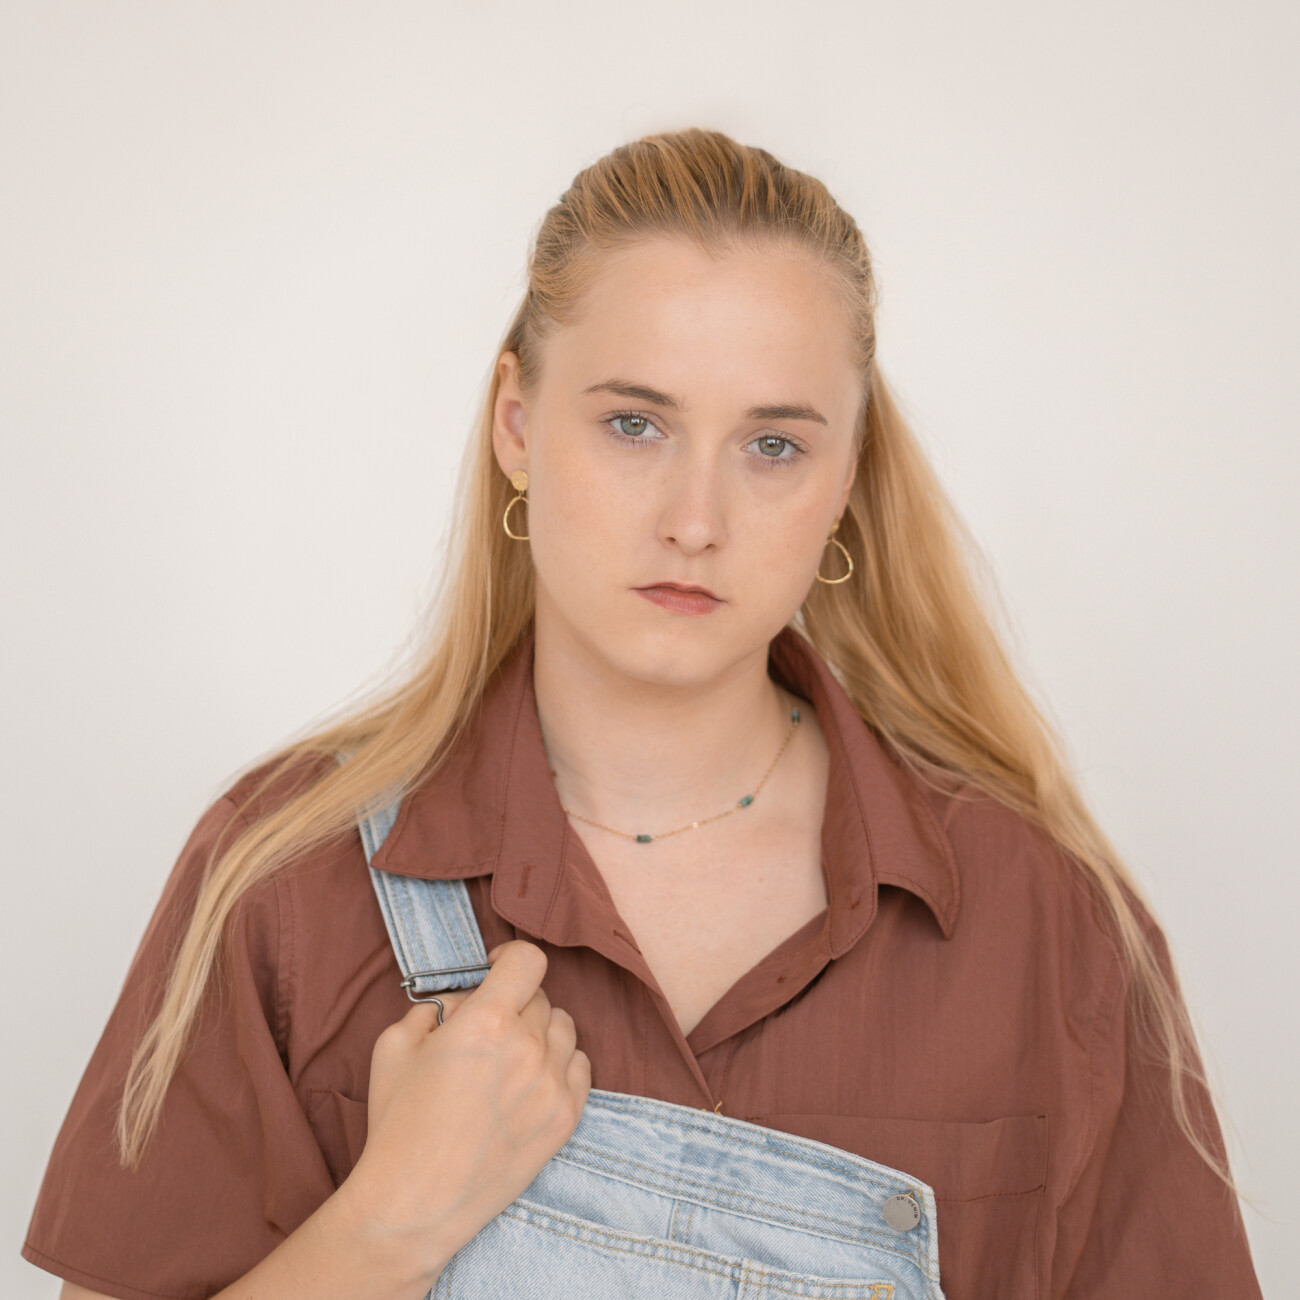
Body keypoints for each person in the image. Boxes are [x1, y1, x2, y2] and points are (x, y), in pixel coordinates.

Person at [22, 128, 1261, 1299]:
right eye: (633, 424)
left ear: (846, 475)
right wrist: (385, 1224)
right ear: (517, 425)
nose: (695, 519)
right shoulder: (284, 882)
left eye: (772, 446)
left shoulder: (1043, 921)